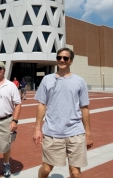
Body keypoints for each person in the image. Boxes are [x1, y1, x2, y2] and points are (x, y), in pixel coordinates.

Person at [33, 47, 93, 178]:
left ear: (71, 61)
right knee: (47, 169)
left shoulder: (80, 81)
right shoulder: (47, 79)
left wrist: (88, 134)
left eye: (65, 58)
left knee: (75, 173)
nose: (62, 60)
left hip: (75, 132)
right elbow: (42, 105)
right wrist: (37, 129)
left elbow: (84, 108)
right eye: (59, 57)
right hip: (52, 132)